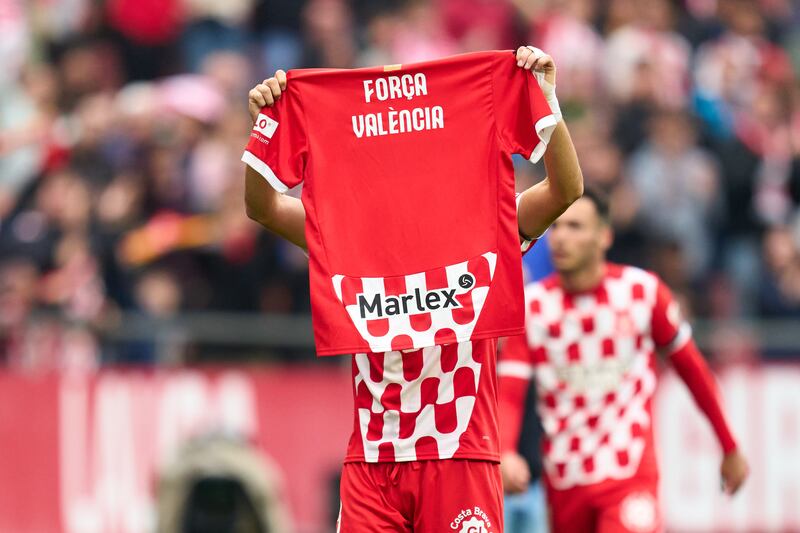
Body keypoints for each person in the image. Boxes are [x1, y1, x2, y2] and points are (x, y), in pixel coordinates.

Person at [244, 46, 583, 532]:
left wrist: (545, 101)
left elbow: (566, 190)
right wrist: (267, 126)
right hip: (373, 461)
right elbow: (263, 208)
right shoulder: (347, 236)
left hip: (461, 455)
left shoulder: (484, 225)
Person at [497, 187, 749, 533]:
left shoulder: (642, 293)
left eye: (575, 227)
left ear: (604, 236)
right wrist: (505, 452)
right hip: (565, 479)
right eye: (557, 227)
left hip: (629, 476)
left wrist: (729, 445)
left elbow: (693, 371)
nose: (561, 238)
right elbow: (509, 391)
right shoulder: (533, 307)